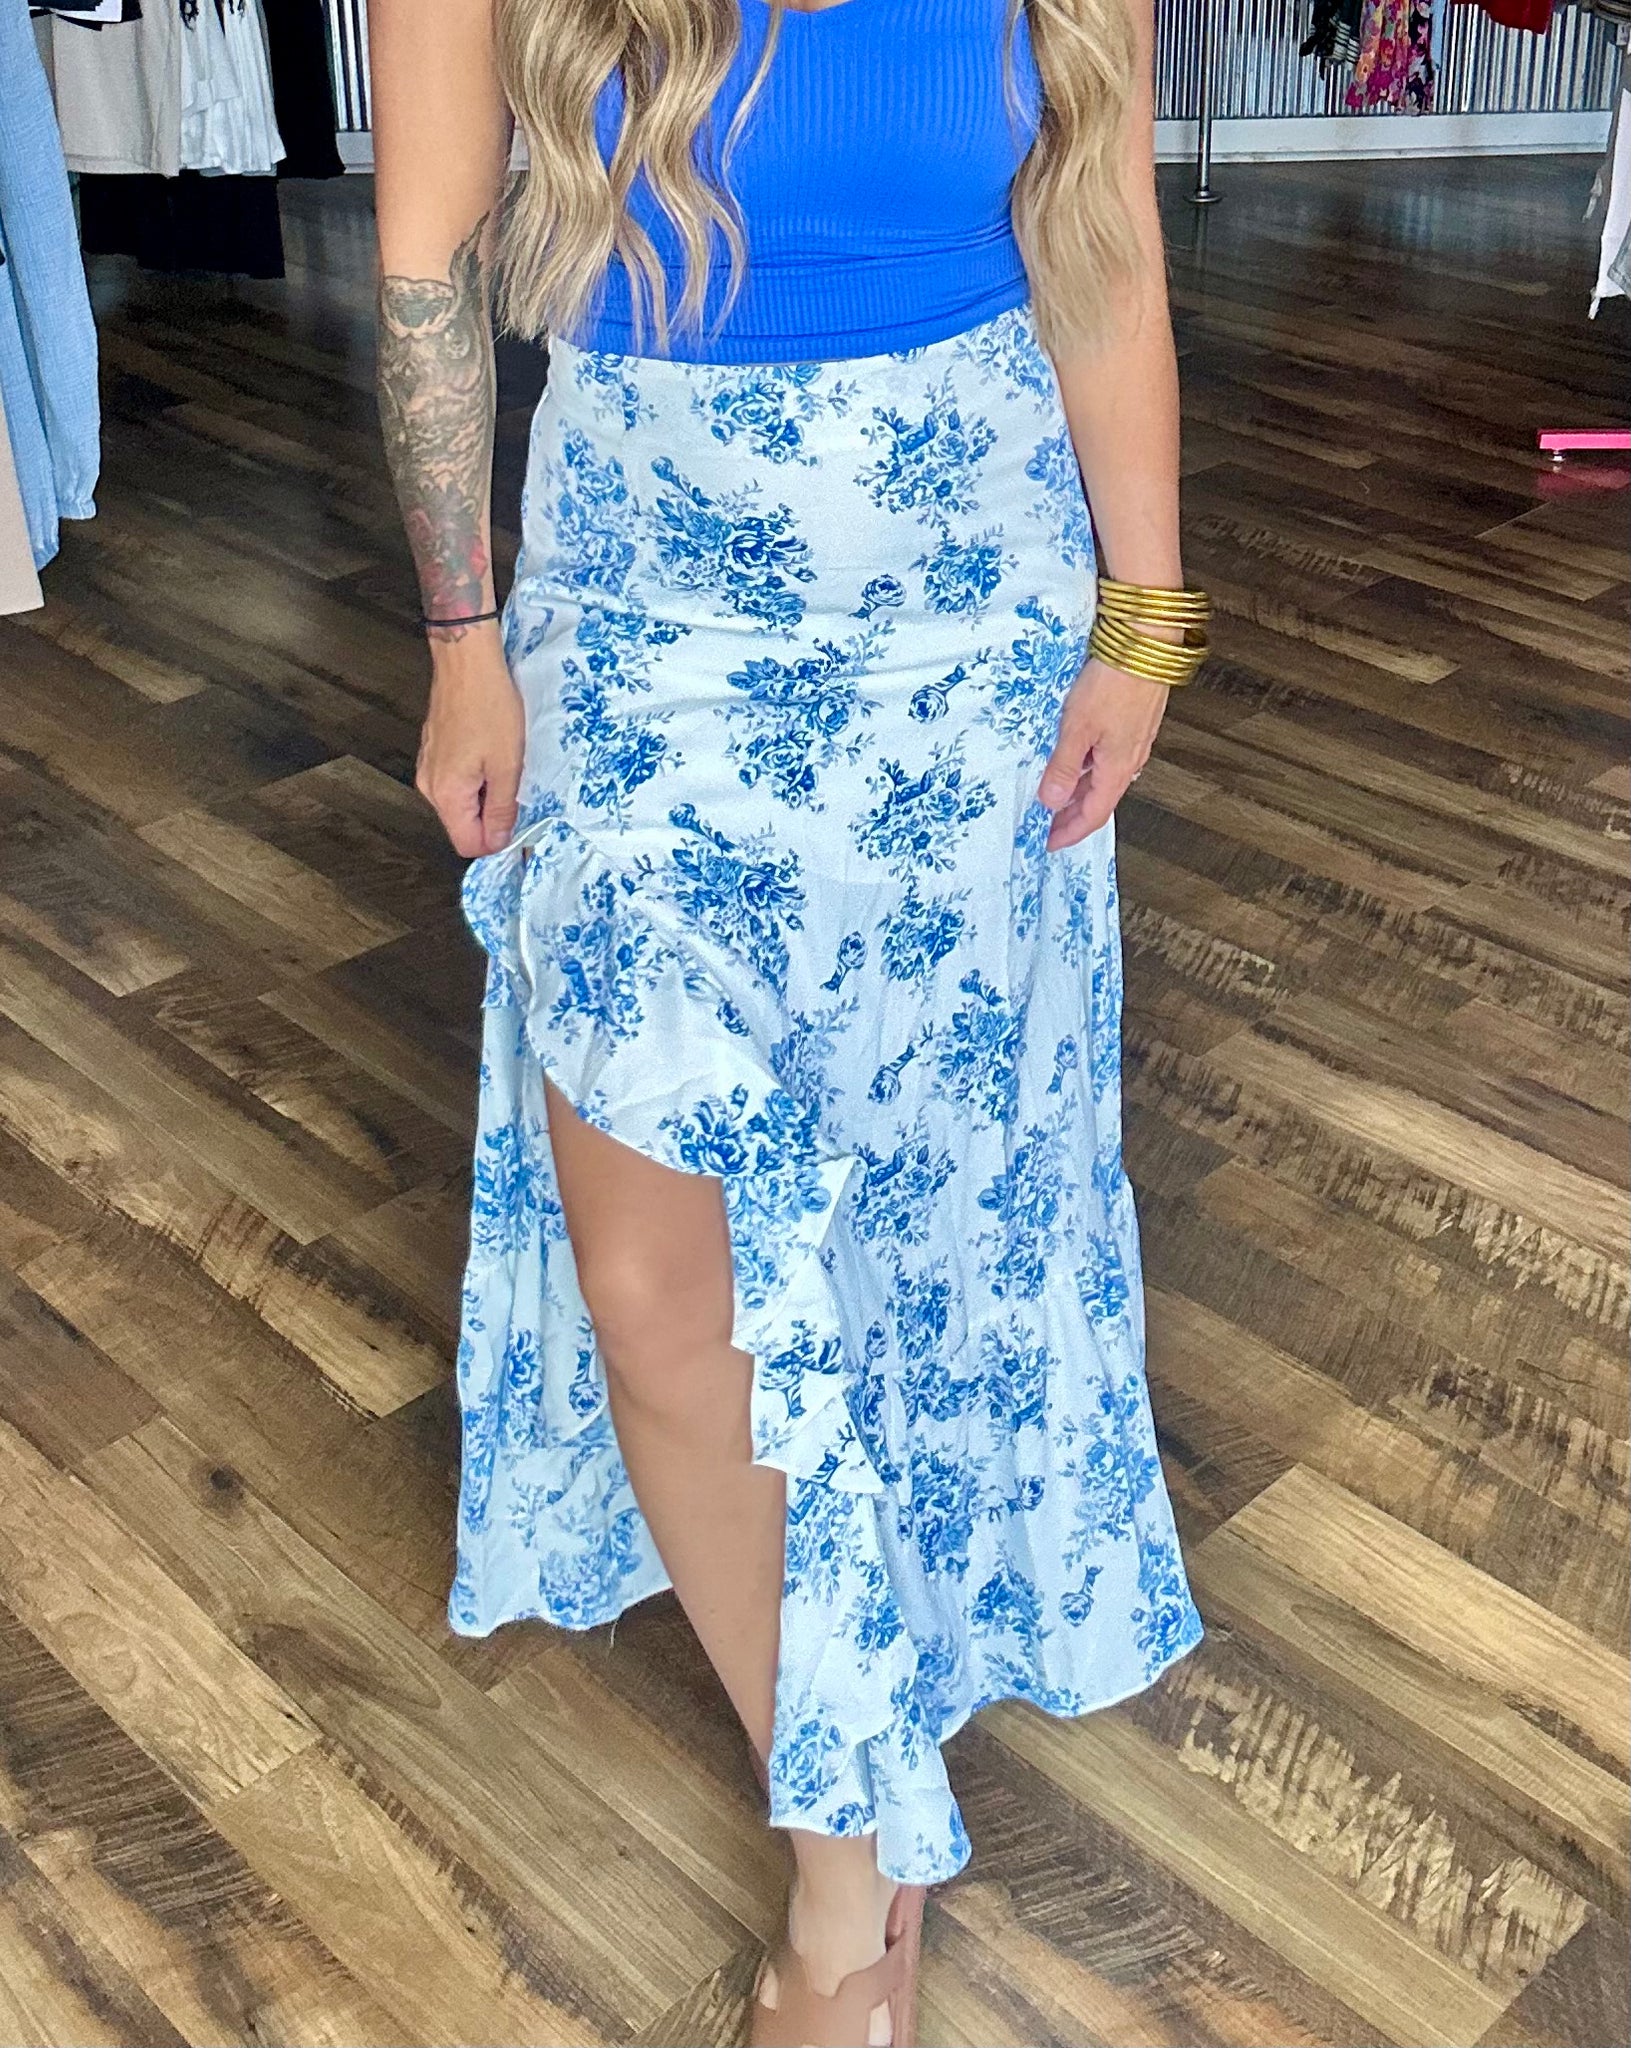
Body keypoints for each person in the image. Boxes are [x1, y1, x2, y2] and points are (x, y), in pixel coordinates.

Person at [368, 3, 1208, 2041]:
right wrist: (462, 638)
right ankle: (850, 1842)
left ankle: (860, 1800)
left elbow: (1097, 231)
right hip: (633, 619)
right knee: (651, 1275)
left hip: (969, 621)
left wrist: (1145, 616)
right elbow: (425, 268)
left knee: (914, 1217)